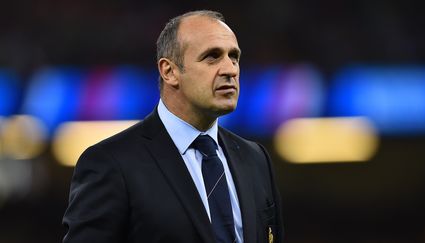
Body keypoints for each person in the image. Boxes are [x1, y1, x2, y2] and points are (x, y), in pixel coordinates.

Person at [62, 10, 283, 243]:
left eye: (234, 57)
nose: (230, 69)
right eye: (212, 57)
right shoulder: (111, 163)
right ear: (169, 71)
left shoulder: (256, 159)